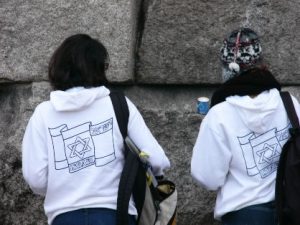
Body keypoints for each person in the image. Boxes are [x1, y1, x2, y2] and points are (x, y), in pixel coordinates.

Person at [22, 34, 170, 225]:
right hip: (117, 215)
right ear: (99, 68)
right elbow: (156, 160)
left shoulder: (43, 114)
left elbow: (36, 180)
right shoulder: (119, 104)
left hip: (65, 217)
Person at [191, 28, 300, 225]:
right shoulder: (289, 103)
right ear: (262, 64)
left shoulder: (219, 115)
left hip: (243, 214)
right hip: (290, 211)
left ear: (226, 68)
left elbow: (207, 178)